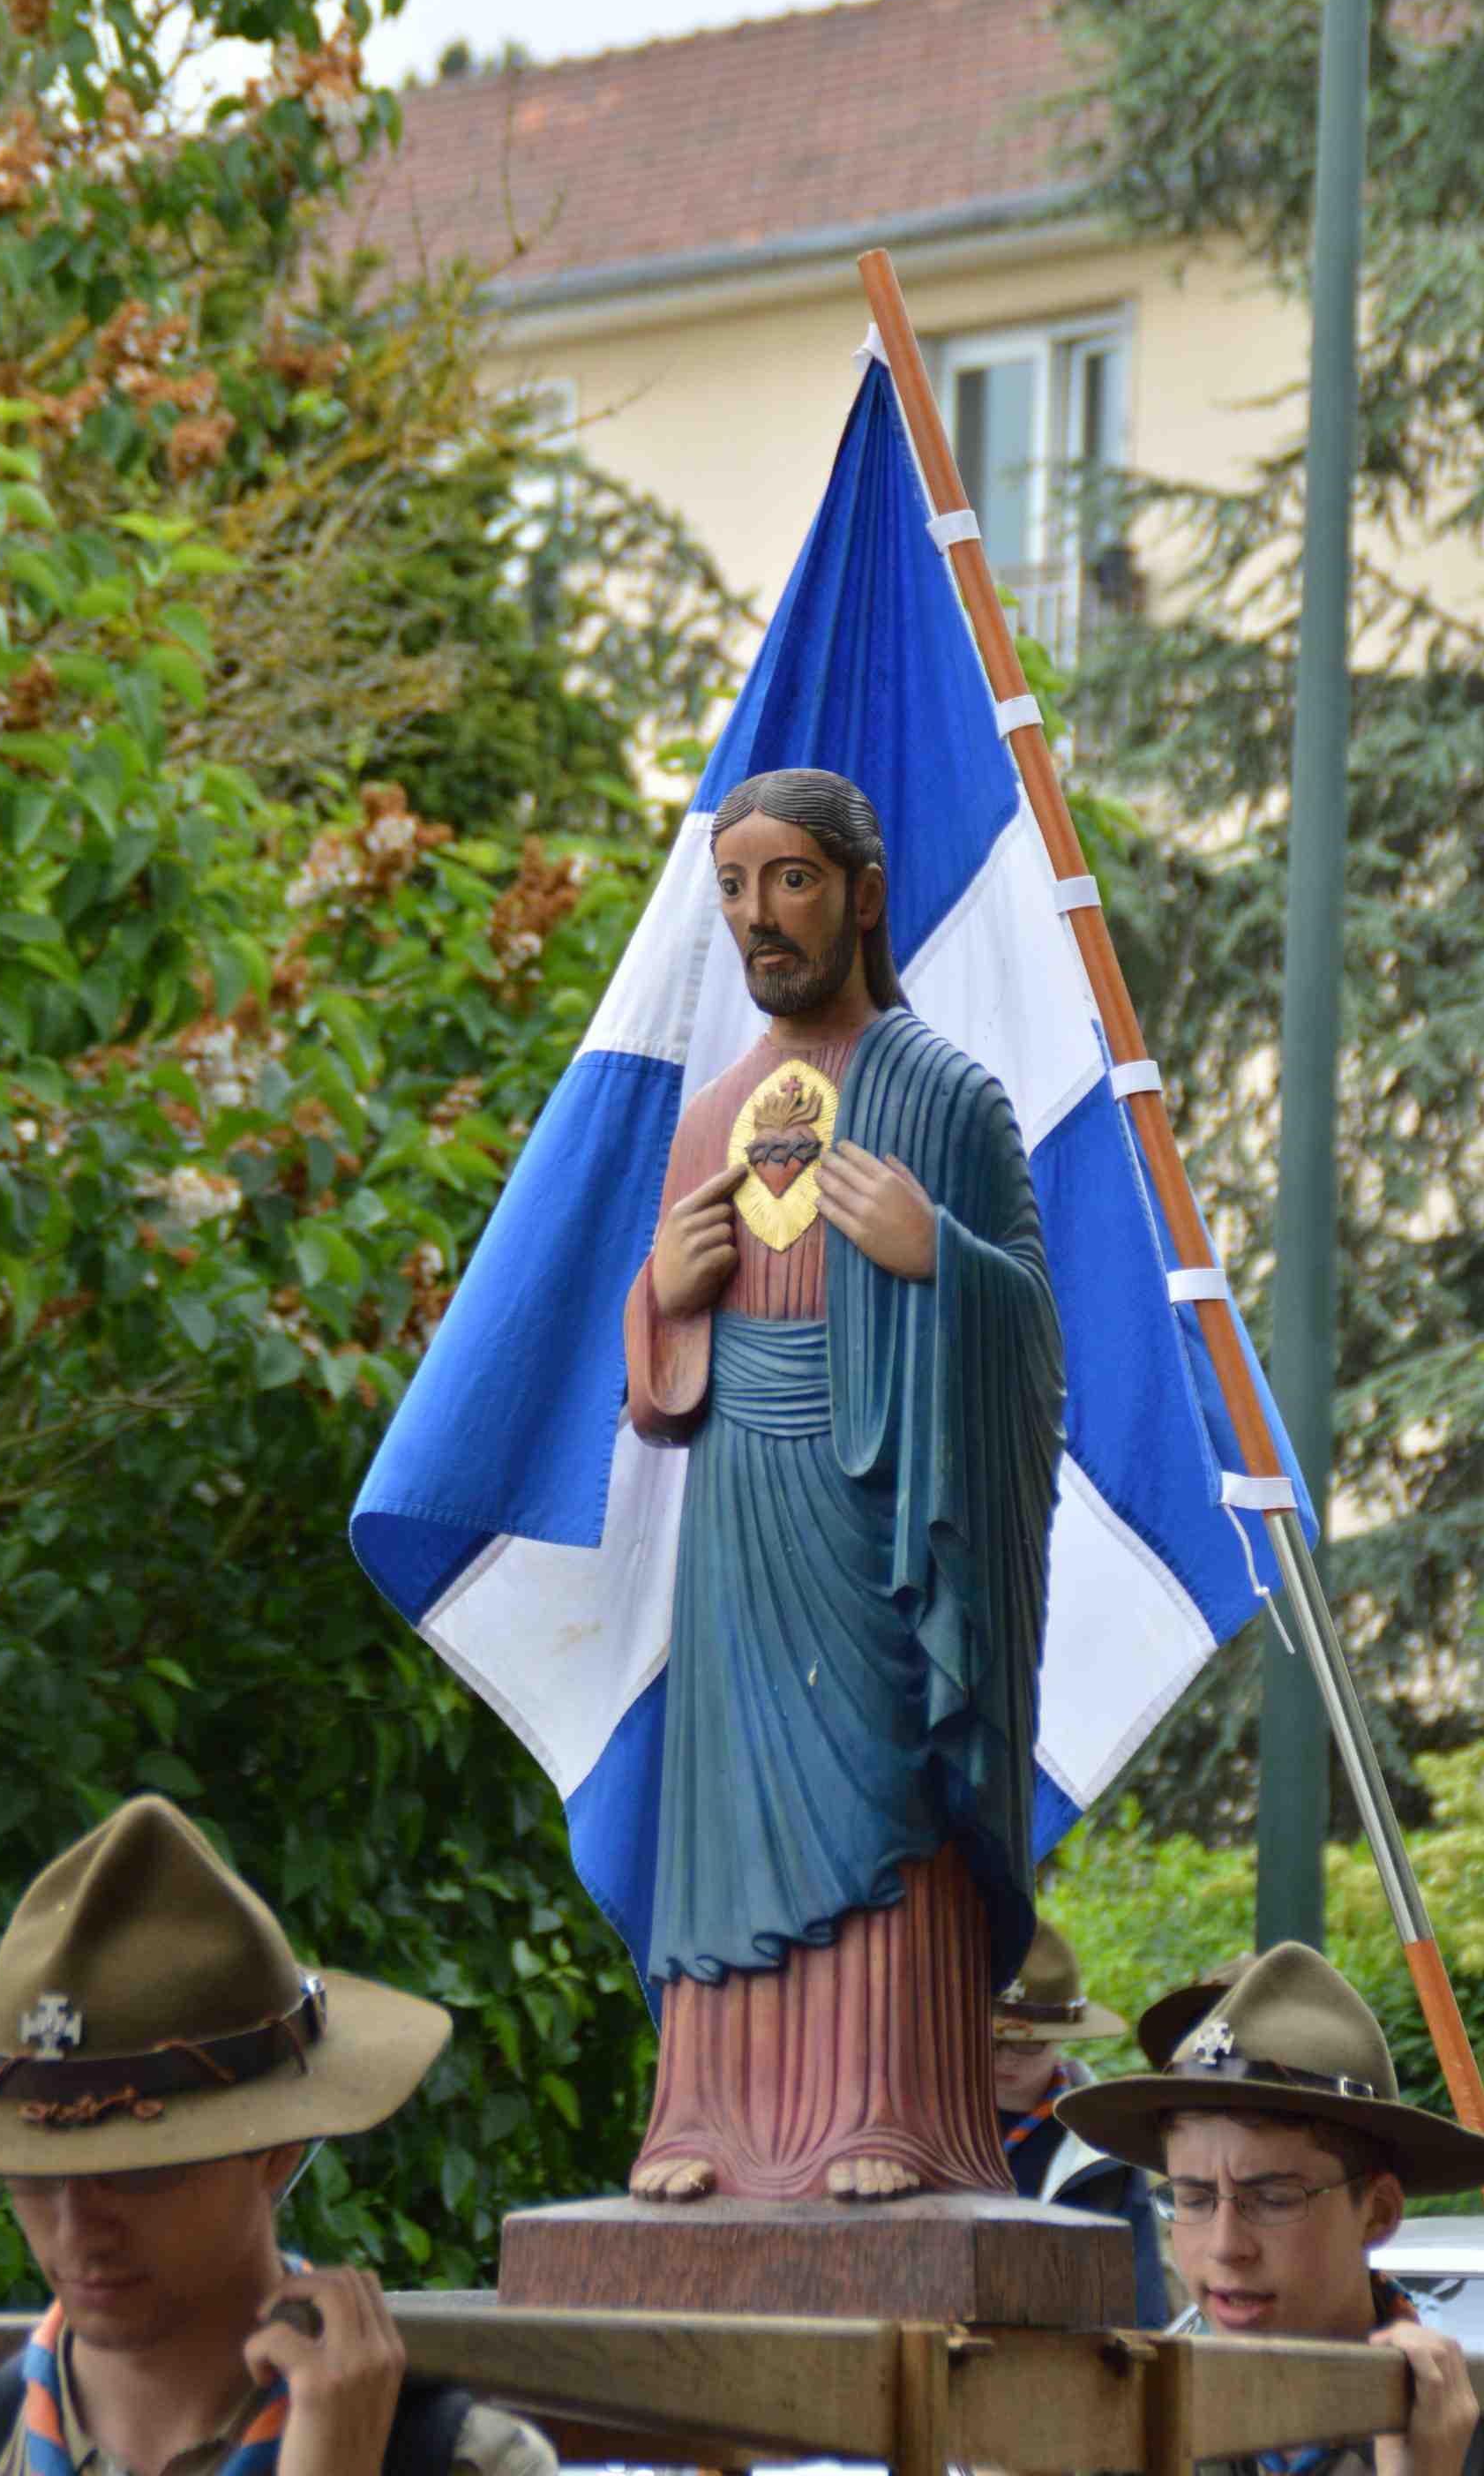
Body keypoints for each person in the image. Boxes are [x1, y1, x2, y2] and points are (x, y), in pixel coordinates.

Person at [624, 767, 1065, 2204]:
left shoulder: (945, 1095)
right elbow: (655, 1392)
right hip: (742, 1509)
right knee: (734, 1799)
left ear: (864, 896)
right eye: (737, 888)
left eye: (791, 880)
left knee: (880, 1783)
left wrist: (941, 1254)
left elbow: (1039, 1348)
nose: (761, 916)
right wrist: (665, 1296)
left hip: (884, 1497)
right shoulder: (714, 1119)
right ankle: (707, 2114)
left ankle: (890, 2105)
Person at [0, 1796, 556, 2476]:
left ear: (278, 2150)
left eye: (136, 2170)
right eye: (33, 2173)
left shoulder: (459, 2461)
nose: (75, 2232)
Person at [1055, 1940, 1484, 2476]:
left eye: (1274, 2199)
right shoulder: (1134, 2433)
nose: (1225, 2245)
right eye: (1193, 2198)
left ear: (1376, 2213)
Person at [993, 1920, 1169, 2325]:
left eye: (1029, 2043)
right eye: (992, 2040)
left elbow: (1142, 2310)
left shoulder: (1105, 2148)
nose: (1006, 2060)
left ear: (1064, 2036)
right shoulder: (925, 2131)